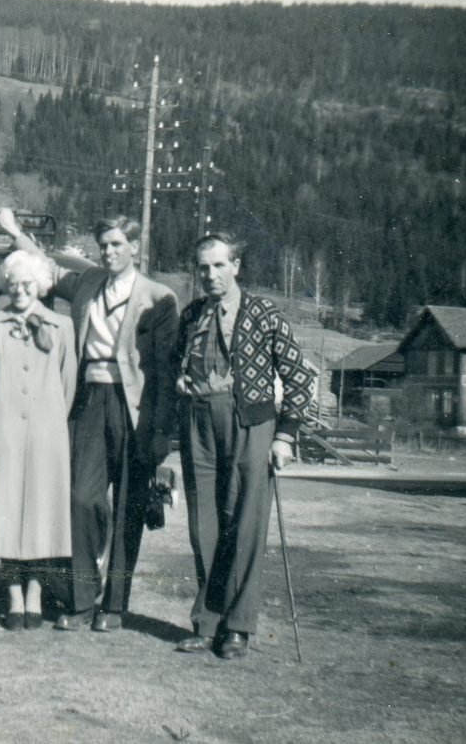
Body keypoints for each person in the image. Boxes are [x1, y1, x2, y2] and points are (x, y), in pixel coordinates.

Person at [0, 208, 178, 633]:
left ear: (135, 247)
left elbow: (165, 373)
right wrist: (15, 232)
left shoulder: (159, 298)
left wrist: (161, 434)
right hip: (89, 399)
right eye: (104, 245)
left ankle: (114, 606)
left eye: (117, 245)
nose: (109, 252)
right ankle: (80, 600)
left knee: (130, 504)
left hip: (135, 408)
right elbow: (47, 267)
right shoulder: (89, 283)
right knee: (80, 498)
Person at [172, 232, 313, 659]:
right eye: (203, 267)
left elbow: (299, 380)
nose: (210, 275)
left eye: (219, 265)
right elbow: (175, 362)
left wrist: (286, 436)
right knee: (204, 526)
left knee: (245, 525)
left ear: (236, 266)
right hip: (198, 421)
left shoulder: (264, 313)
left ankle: (238, 628)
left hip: (249, 423)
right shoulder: (192, 313)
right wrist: (180, 380)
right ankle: (208, 622)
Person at [0, 251, 76, 630]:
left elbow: (68, 384)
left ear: (41, 287)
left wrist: (50, 418)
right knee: (7, 517)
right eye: (14, 284)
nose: (21, 290)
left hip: (46, 434)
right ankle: (13, 597)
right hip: (4, 432)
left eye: (28, 284)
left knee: (43, 517)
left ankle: (36, 596)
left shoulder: (62, 326)